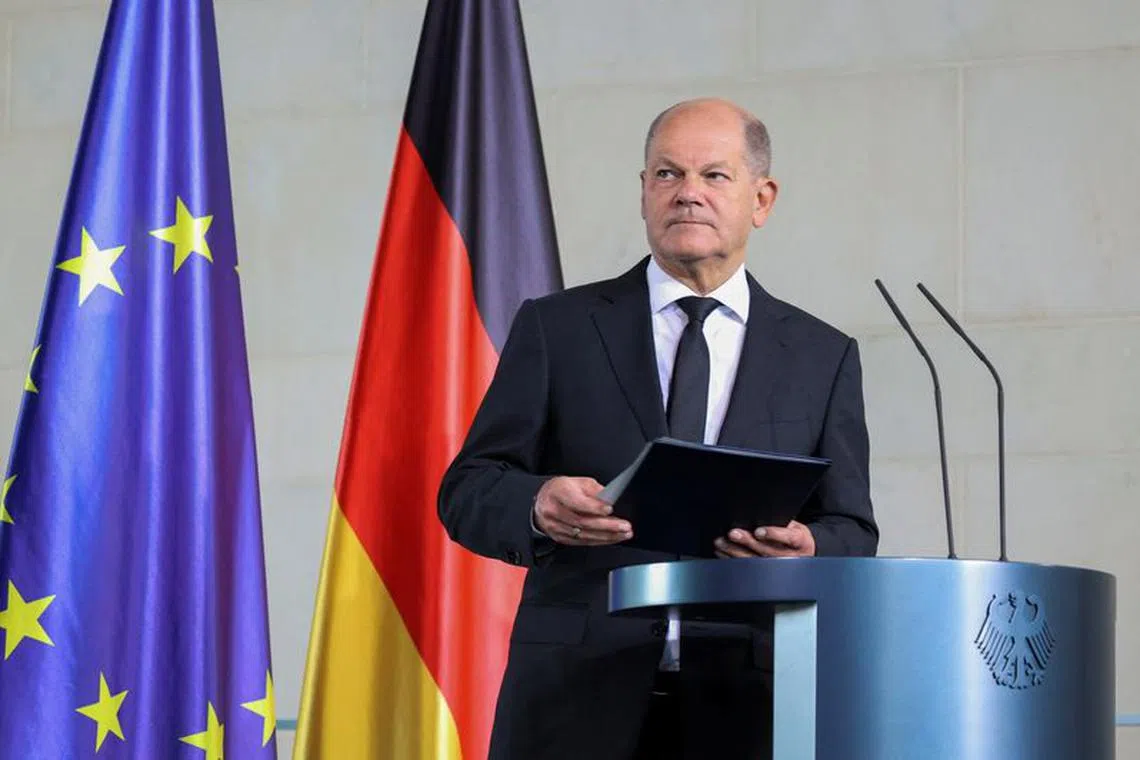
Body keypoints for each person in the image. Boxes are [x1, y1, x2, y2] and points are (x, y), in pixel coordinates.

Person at [437, 97, 878, 760]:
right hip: (574, 701)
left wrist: (809, 548)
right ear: (643, 193)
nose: (687, 194)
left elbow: (853, 529)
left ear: (762, 199)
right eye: (667, 175)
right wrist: (536, 504)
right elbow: (468, 488)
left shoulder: (822, 355)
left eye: (714, 176)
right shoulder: (558, 330)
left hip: (749, 706)